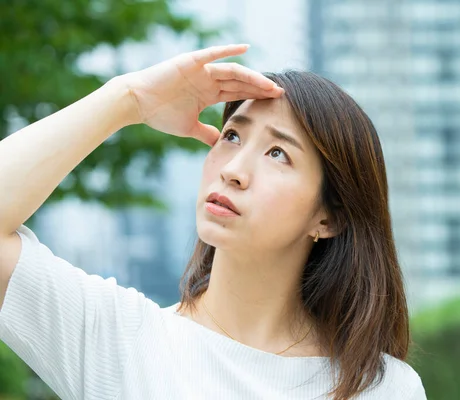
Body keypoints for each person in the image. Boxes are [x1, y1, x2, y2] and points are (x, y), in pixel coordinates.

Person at [0, 44, 426, 399]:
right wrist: (127, 99)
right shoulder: (122, 342)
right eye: (232, 136)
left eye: (278, 153)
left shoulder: (382, 388)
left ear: (328, 217)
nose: (234, 169)